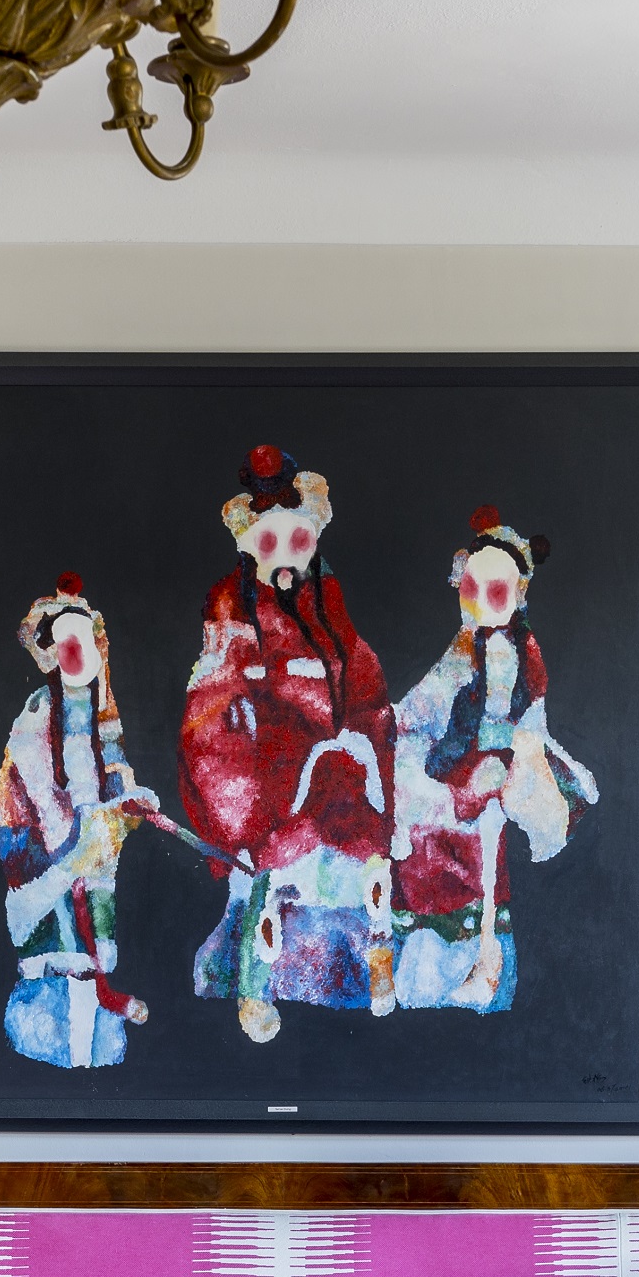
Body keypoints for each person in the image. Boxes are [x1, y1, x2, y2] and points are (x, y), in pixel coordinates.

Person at [180, 445, 397, 1041]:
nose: (283, 557)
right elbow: (210, 722)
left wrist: (363, 748)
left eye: (296, 540)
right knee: (268, 878)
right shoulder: (230, 613)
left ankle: (378, 957)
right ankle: (256, 983)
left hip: (341, 785)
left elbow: (367, 686)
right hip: (271, 794)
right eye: (268, 543)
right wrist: (246, 817)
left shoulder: (330, 606)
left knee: (367, 859)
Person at [389, 507, 598, 1010]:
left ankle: (485, 965)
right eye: (472, 589)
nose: (481, 601)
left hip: (501, 768)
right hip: (455, 768)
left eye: (496, 591)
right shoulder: (462, 650)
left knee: (486, 865)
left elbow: (532, 719)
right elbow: (425, 707)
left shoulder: (525, 653)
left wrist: (522, 761)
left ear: (519, 593)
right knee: (436, 857)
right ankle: (433, 972)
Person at [0, 574, 159, 1067]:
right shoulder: (36, 717)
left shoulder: (99, 713)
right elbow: (38, 797)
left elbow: (115, 769)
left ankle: (92, 1040)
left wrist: (130, 802)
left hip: (94, 855)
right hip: (49, 859)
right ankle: (52, 1043)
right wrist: (79, 840)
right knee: (59, 953)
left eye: (86, 639)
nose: (79, 651)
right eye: (68, 640)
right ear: (50, 651)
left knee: (93, 958)